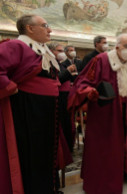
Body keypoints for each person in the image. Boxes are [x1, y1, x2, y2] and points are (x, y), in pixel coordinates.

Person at [0, 14, 72, 194]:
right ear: (30, 28)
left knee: (47, 153)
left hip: (47, 111)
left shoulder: (43, 50)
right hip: (27, 111)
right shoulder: (16, 45)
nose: (50, 30)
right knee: (32, 155)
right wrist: (8, 87)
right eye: (45, 25)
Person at [68, 34, 127, 194]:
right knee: (104, 147)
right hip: (105, 111)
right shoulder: (101, 60)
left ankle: (125, 172)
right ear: (117, 47)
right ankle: (100, 180)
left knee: (125, 143)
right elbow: (83, 82)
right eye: (126, 46)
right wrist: (89, 91)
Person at [48, 42, 77, 153]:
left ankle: (68, 148)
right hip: (58, 97)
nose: (62, 53)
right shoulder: (49, 63)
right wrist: (68, 72)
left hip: (65, 96)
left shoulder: (59, 64)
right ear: (51, 51)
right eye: (59, 51)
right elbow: (55, 79)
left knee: (67, 124)